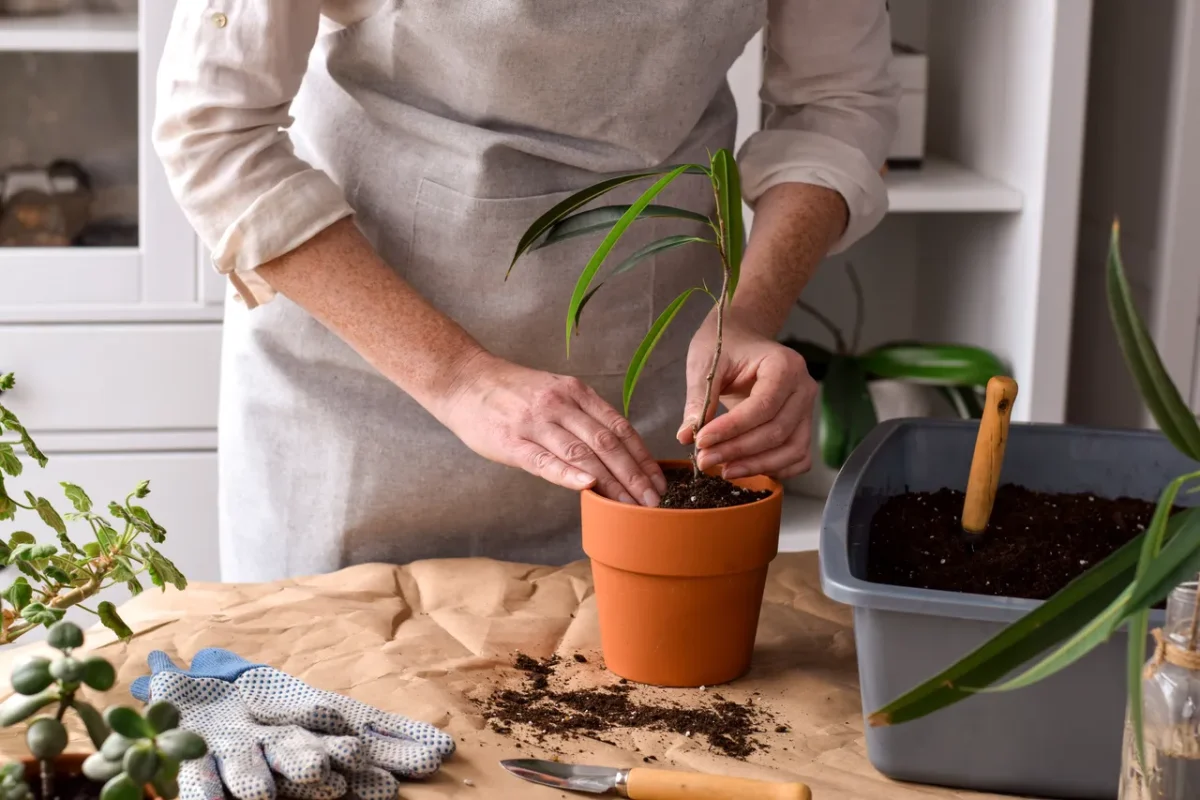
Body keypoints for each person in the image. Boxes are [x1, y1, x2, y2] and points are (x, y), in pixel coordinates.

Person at [154, 0, 898, 582]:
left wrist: (752, 313)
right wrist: (454, 376)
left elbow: (836, 105)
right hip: (361, 396)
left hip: (639, 388)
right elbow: (215, 133)